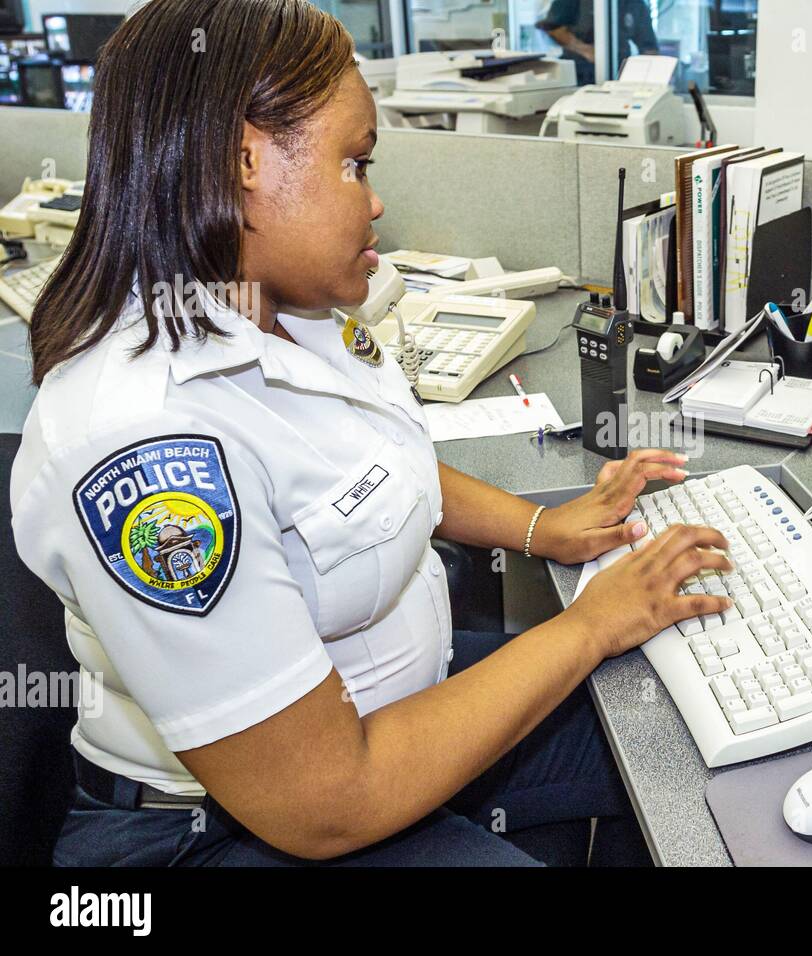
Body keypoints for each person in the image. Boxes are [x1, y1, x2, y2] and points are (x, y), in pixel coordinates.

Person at [11, 0, 730, 867]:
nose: (377, 196)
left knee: (663, 732)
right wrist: (588, 626)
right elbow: (327, 803)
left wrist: (543, 527)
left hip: (388, 715)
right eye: (355, 164)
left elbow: (377, 478)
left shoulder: (286, 311)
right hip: (226, 826)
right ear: (240, 159)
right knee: (612, 663)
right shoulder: (148, 437)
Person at [537, 0, 659, 86]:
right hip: (578, 75)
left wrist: (652, 78)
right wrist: (585, 50)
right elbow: (553, 28)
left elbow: (649, 48)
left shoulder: (635, 4)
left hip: (618, 75)